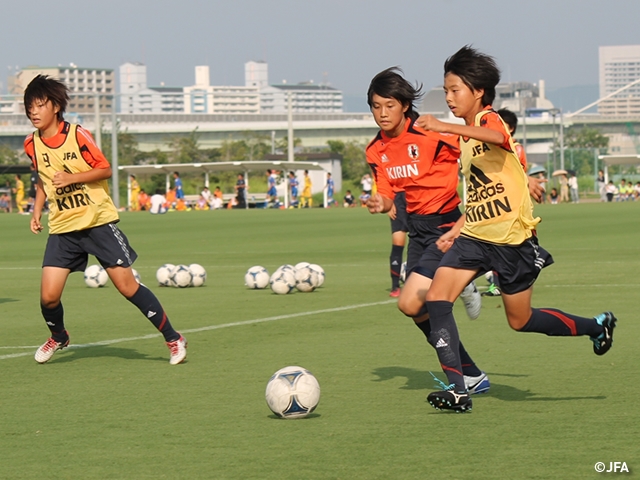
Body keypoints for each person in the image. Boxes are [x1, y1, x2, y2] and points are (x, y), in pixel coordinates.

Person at [415, 46, 616, 412]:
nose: (448, 97)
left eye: (454, 89)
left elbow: (497, 139)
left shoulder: (492, 120)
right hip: (475, 237)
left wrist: (442, 125)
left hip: (511, 242)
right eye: (445, 90)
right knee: (437, 299)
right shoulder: (464, 137)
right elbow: (483, 187)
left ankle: (596, 326)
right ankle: (459, 389)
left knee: (520, 320)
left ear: (478, 91)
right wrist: (460, 227)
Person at [23, 75, 186, 365]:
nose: (33, 111)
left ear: (56, 106)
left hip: (97, 222)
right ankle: (59, 336)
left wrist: (72, 177)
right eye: (29, 106)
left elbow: (105, 169)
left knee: (127, 287)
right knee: (48, 297)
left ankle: (173, 338)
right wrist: (37, 210)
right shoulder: (31, 144)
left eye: (40, 105)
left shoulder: (77, 135)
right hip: (62, 227)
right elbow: (41, 180)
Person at [365, 67, 488, 399]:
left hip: (450, 224)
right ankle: (471, 373)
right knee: (410, 307)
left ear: (404, 105)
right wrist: (380, 202)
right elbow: (389, 192)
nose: (382, 113)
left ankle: (459, 384)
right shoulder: (376, 150)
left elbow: (479, 146)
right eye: (376, 106)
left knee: (433, 302)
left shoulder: (432, 132)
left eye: (389, 105)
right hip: (418, 230)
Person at [387, 190, 408, 298]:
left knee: (424, 240)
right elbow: (382, 179)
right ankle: (395, 286)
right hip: (398, 198)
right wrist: (387, 201)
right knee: (397, 243)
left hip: (420, 196)